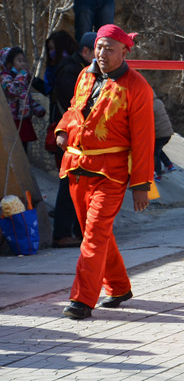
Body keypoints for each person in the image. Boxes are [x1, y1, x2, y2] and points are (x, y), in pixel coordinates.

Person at [54, 24, 154, 320]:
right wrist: (62, 128)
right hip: (77, 167)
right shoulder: (85, 75)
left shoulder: (137, 86)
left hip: (110, 173)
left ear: (125, 51)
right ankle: (119, 286)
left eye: (110, 48)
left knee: (94, 236)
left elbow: (144, 138)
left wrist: (141, 185)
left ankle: (83, 299)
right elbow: (75, 108)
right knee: (93, 233)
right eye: (99, 47)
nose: (102, 53)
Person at [49, 31, 91, 247]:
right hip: (69, 137)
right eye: (98, 50)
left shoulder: (80, 69)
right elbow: (73, 106)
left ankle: (78, 231)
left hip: (79, 139)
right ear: (85, 51)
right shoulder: (71, 71)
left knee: (80, 187)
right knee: (68, 186)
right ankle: (62, 233)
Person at [1, 47, 46, 156]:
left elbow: (25, 98)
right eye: (19, 61)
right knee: (15, 153)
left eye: (23, 61)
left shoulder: (21, 79)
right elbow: (13, 91)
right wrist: (22, 75)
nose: (22, 64)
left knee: (24, 152)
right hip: (13, 122)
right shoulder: (5, 77)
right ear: (9, 64)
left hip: (23, 121)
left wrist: (36, 108)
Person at [152, 95, 175, 178]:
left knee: (154, 153)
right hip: (167, 133)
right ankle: (169, 164)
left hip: (160, 134)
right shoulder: (158, 102)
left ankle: (158, 173)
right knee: (158, 149)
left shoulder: (149, 106)